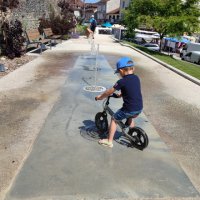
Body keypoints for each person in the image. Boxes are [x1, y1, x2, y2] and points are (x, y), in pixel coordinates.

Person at [95, 57, 143, 148]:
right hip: (139, 108)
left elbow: (109, 92)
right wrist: (121, 95)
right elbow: (132, 90)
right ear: (133, 68)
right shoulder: (136, 78)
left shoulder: (122, 81)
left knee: (114, 118)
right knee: (130, 116)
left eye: (119, 73)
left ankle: (109, 141)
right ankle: (132, 133)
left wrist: (100, 97)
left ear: (121, 71)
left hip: (129, 109)